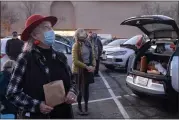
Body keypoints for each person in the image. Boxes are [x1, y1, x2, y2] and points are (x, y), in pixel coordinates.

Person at [6, 14, 77, 119]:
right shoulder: (25, 59)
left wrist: (72, 92)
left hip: (63, 114)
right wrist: (37, 105)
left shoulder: (60, 57)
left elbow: (73, 81)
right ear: (35, 35)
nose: (51, 31)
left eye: (51, 27)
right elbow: (12, 93)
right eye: (46, 28)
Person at [72, 28, 96, 115]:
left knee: (86, 90)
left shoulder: (88, 44)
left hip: (88, 69)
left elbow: (93, 56)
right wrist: (86, 66)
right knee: (80, 90)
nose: (83, 34)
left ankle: (86, 106)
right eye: (81, 33)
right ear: (77, 35)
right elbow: (75, 61)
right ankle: (79, 107)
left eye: (84, 33)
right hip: (79, 70)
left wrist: (93, 66)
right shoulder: (76, 45)